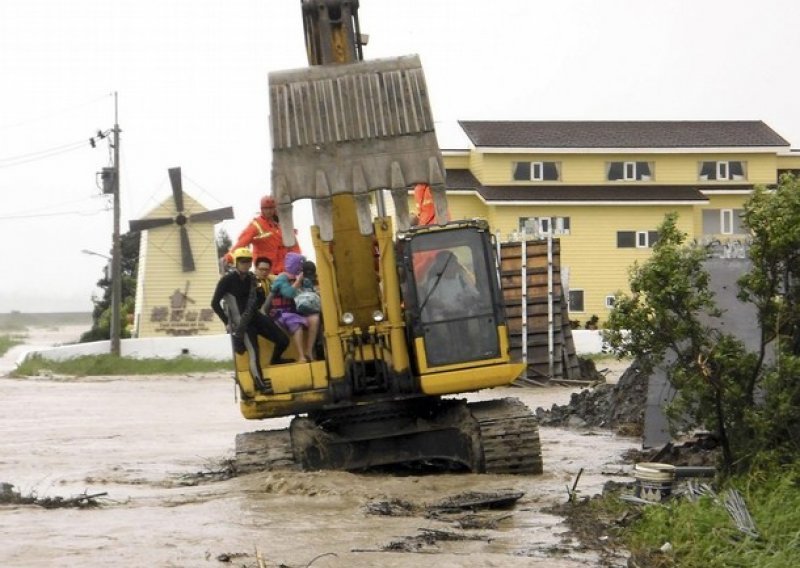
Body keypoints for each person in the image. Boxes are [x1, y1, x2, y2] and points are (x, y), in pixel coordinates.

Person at [210, 247, 292, 372]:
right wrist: (227, 321)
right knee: (254, 353)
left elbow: (260, 300)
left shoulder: (252, 278)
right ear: (236, 263)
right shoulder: (227, 280)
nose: (245, 264)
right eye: (242, 261)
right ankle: (260, 385)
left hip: (256, 317)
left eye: (248, 261)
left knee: (283, 340)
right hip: (242, 322)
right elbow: (215, 303)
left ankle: (275, 359)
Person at [223, 195, 300, 274]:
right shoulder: (256, 225)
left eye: (271, 208)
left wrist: (298, 261)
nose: (269, 211)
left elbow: (293, 244)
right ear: (262, 209)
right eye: (266, 208)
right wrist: (229, 257)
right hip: (266, 270)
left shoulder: (281, 225)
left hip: (284, 269)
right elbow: (242, 242)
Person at [271, 252, 321, 363]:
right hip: (283, 313)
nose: (301, 268)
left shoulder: (300, 277)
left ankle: (309, 351)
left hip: (298, 311)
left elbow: (309, 289)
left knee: (315, 318)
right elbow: (288, 294)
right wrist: (298, 281)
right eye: (300, 265)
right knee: (296, 323)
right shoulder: (282, 278)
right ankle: (301, 356)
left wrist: (307, 282)